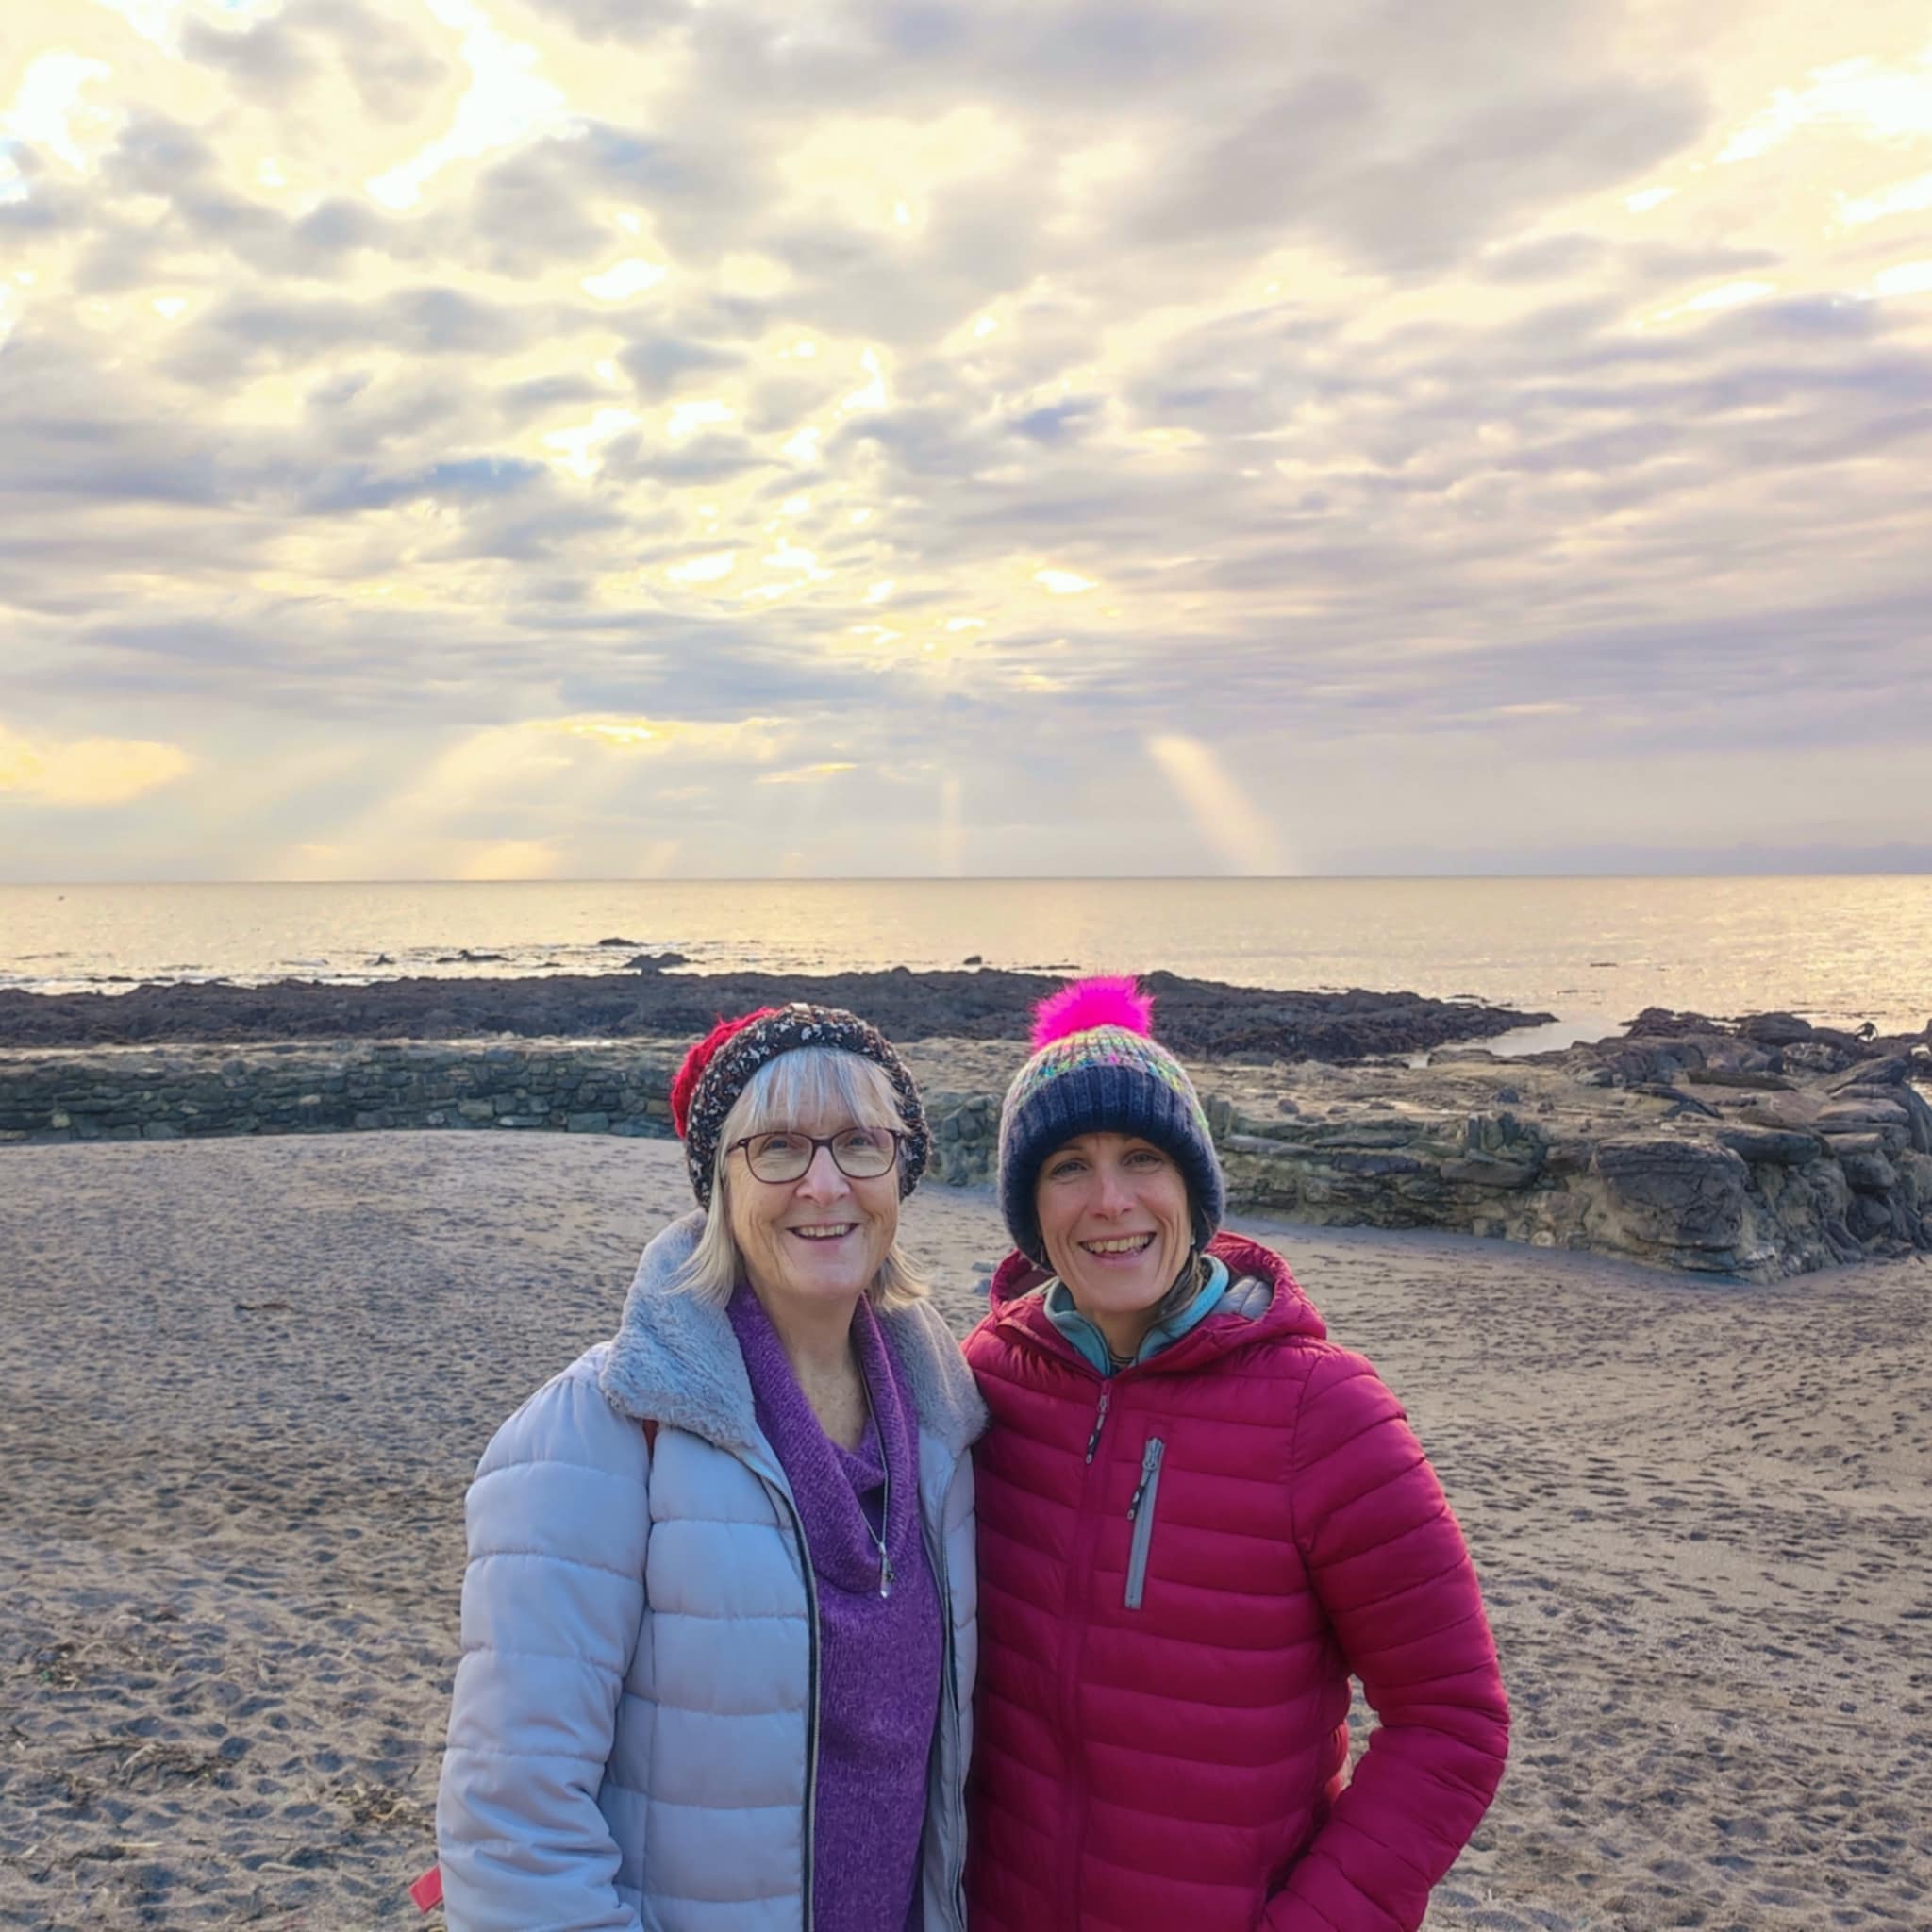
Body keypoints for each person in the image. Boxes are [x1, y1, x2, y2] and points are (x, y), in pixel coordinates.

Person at [963, 977, 1508, 1931]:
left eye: (1142, 1156)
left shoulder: (1323, 1410)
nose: (1110, 1200)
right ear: (1026, 1205)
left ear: (1192, 1188)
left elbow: (1450, 1722)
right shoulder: (979, 1384)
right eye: (1066, 1166)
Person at [432, 1003, 985, 1932]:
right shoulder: (597, 1433)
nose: (822, 1183)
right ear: (718, 1183)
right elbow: (510, 1828)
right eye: (775, 1146)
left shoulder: (946, 1426)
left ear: (901, 1171)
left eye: (858, 1142)